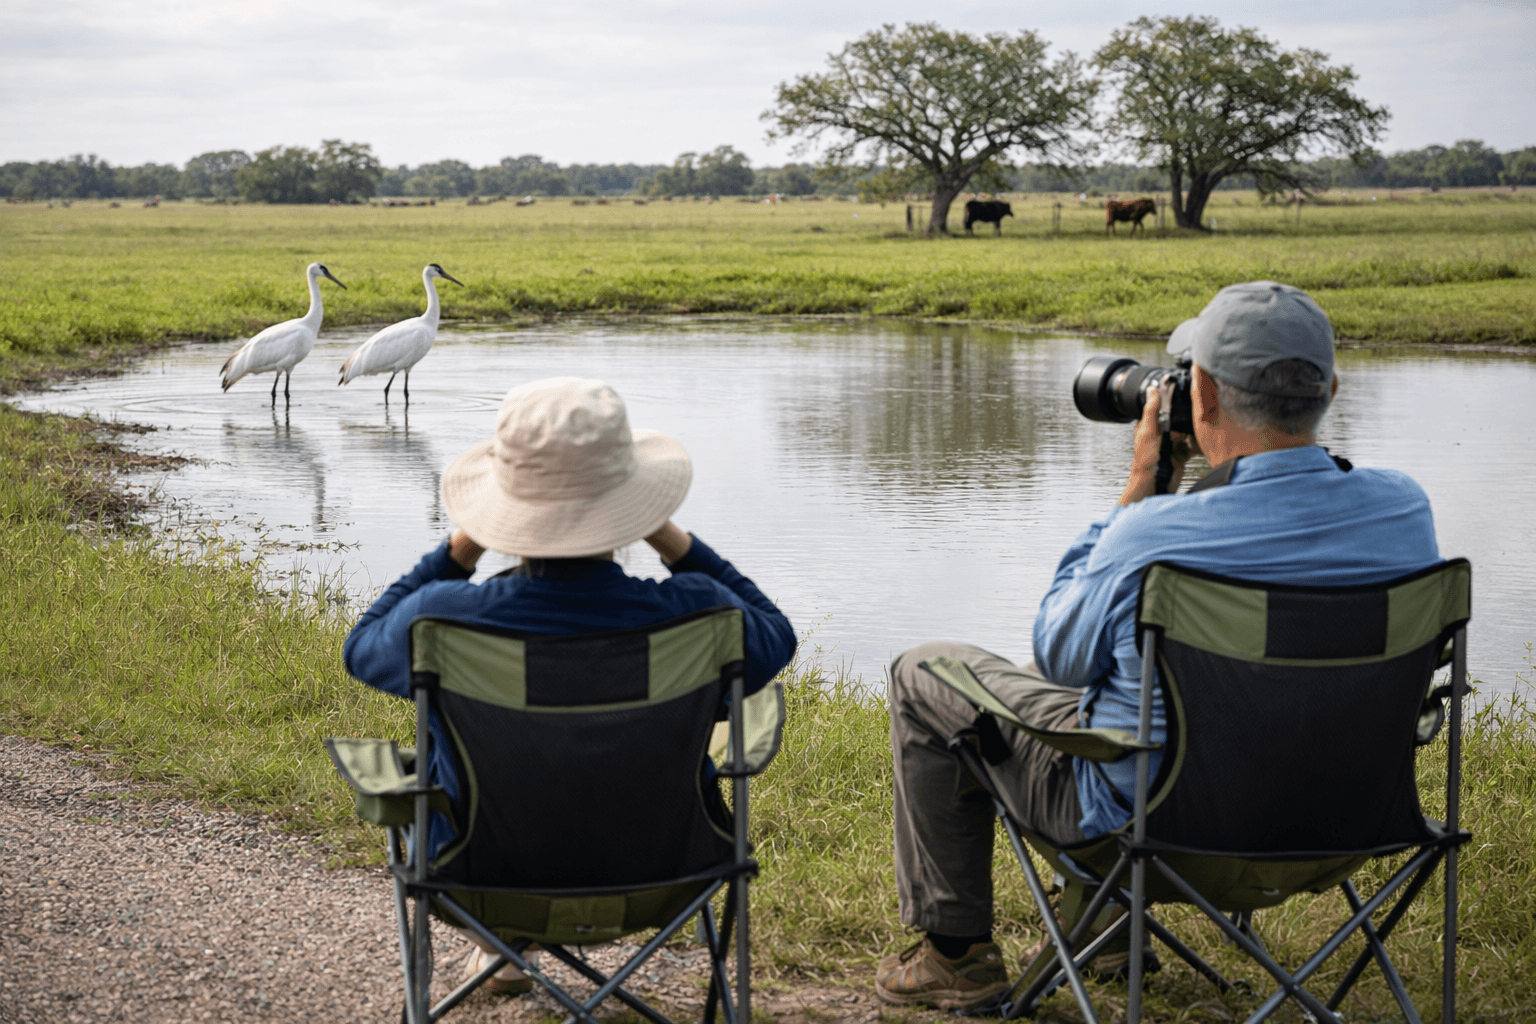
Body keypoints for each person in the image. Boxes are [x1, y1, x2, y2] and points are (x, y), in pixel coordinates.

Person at [875, 281, 1442, 1009]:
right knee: (1123, 683)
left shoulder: (1153, 535)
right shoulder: (1404, 508)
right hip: (1351, 824)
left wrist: (1144, 483)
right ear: (1329, 387)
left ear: (1199, 393)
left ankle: (957, 956)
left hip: (1153, 841)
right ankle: (1105, 932)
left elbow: (1062, 656)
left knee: (926, 670)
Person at [343, 376, 797, 994]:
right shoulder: (700, 614)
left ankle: (502, 948)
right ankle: (507, 954)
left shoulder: (442, 621)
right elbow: (777, 633)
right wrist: (668, 535)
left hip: (479, 878)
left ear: (504, 508)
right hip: (671, 878)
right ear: (631, 505)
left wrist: (460, 546)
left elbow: (361, 645)